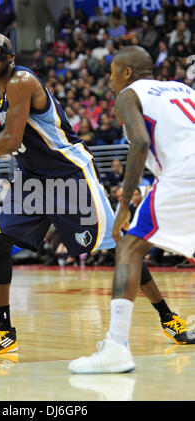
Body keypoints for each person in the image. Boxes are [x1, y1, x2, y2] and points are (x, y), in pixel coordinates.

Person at [0, 34, 192, 358]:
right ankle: (4, 330)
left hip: (69, 173)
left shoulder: (21, 80)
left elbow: (12, 137)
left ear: (11, 57)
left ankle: (169, 319)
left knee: (120, 246)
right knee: (0, 242)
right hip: (33, 177)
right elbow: (7, 136)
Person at [69, 45, 195, 374]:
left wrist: (124, 205)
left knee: (128, 247)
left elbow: (139, 142)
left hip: (185, 171)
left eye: (111, 73)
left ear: (126, 73)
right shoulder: (182, 88)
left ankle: (116, 347)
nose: (109, 80)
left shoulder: (128, 94)